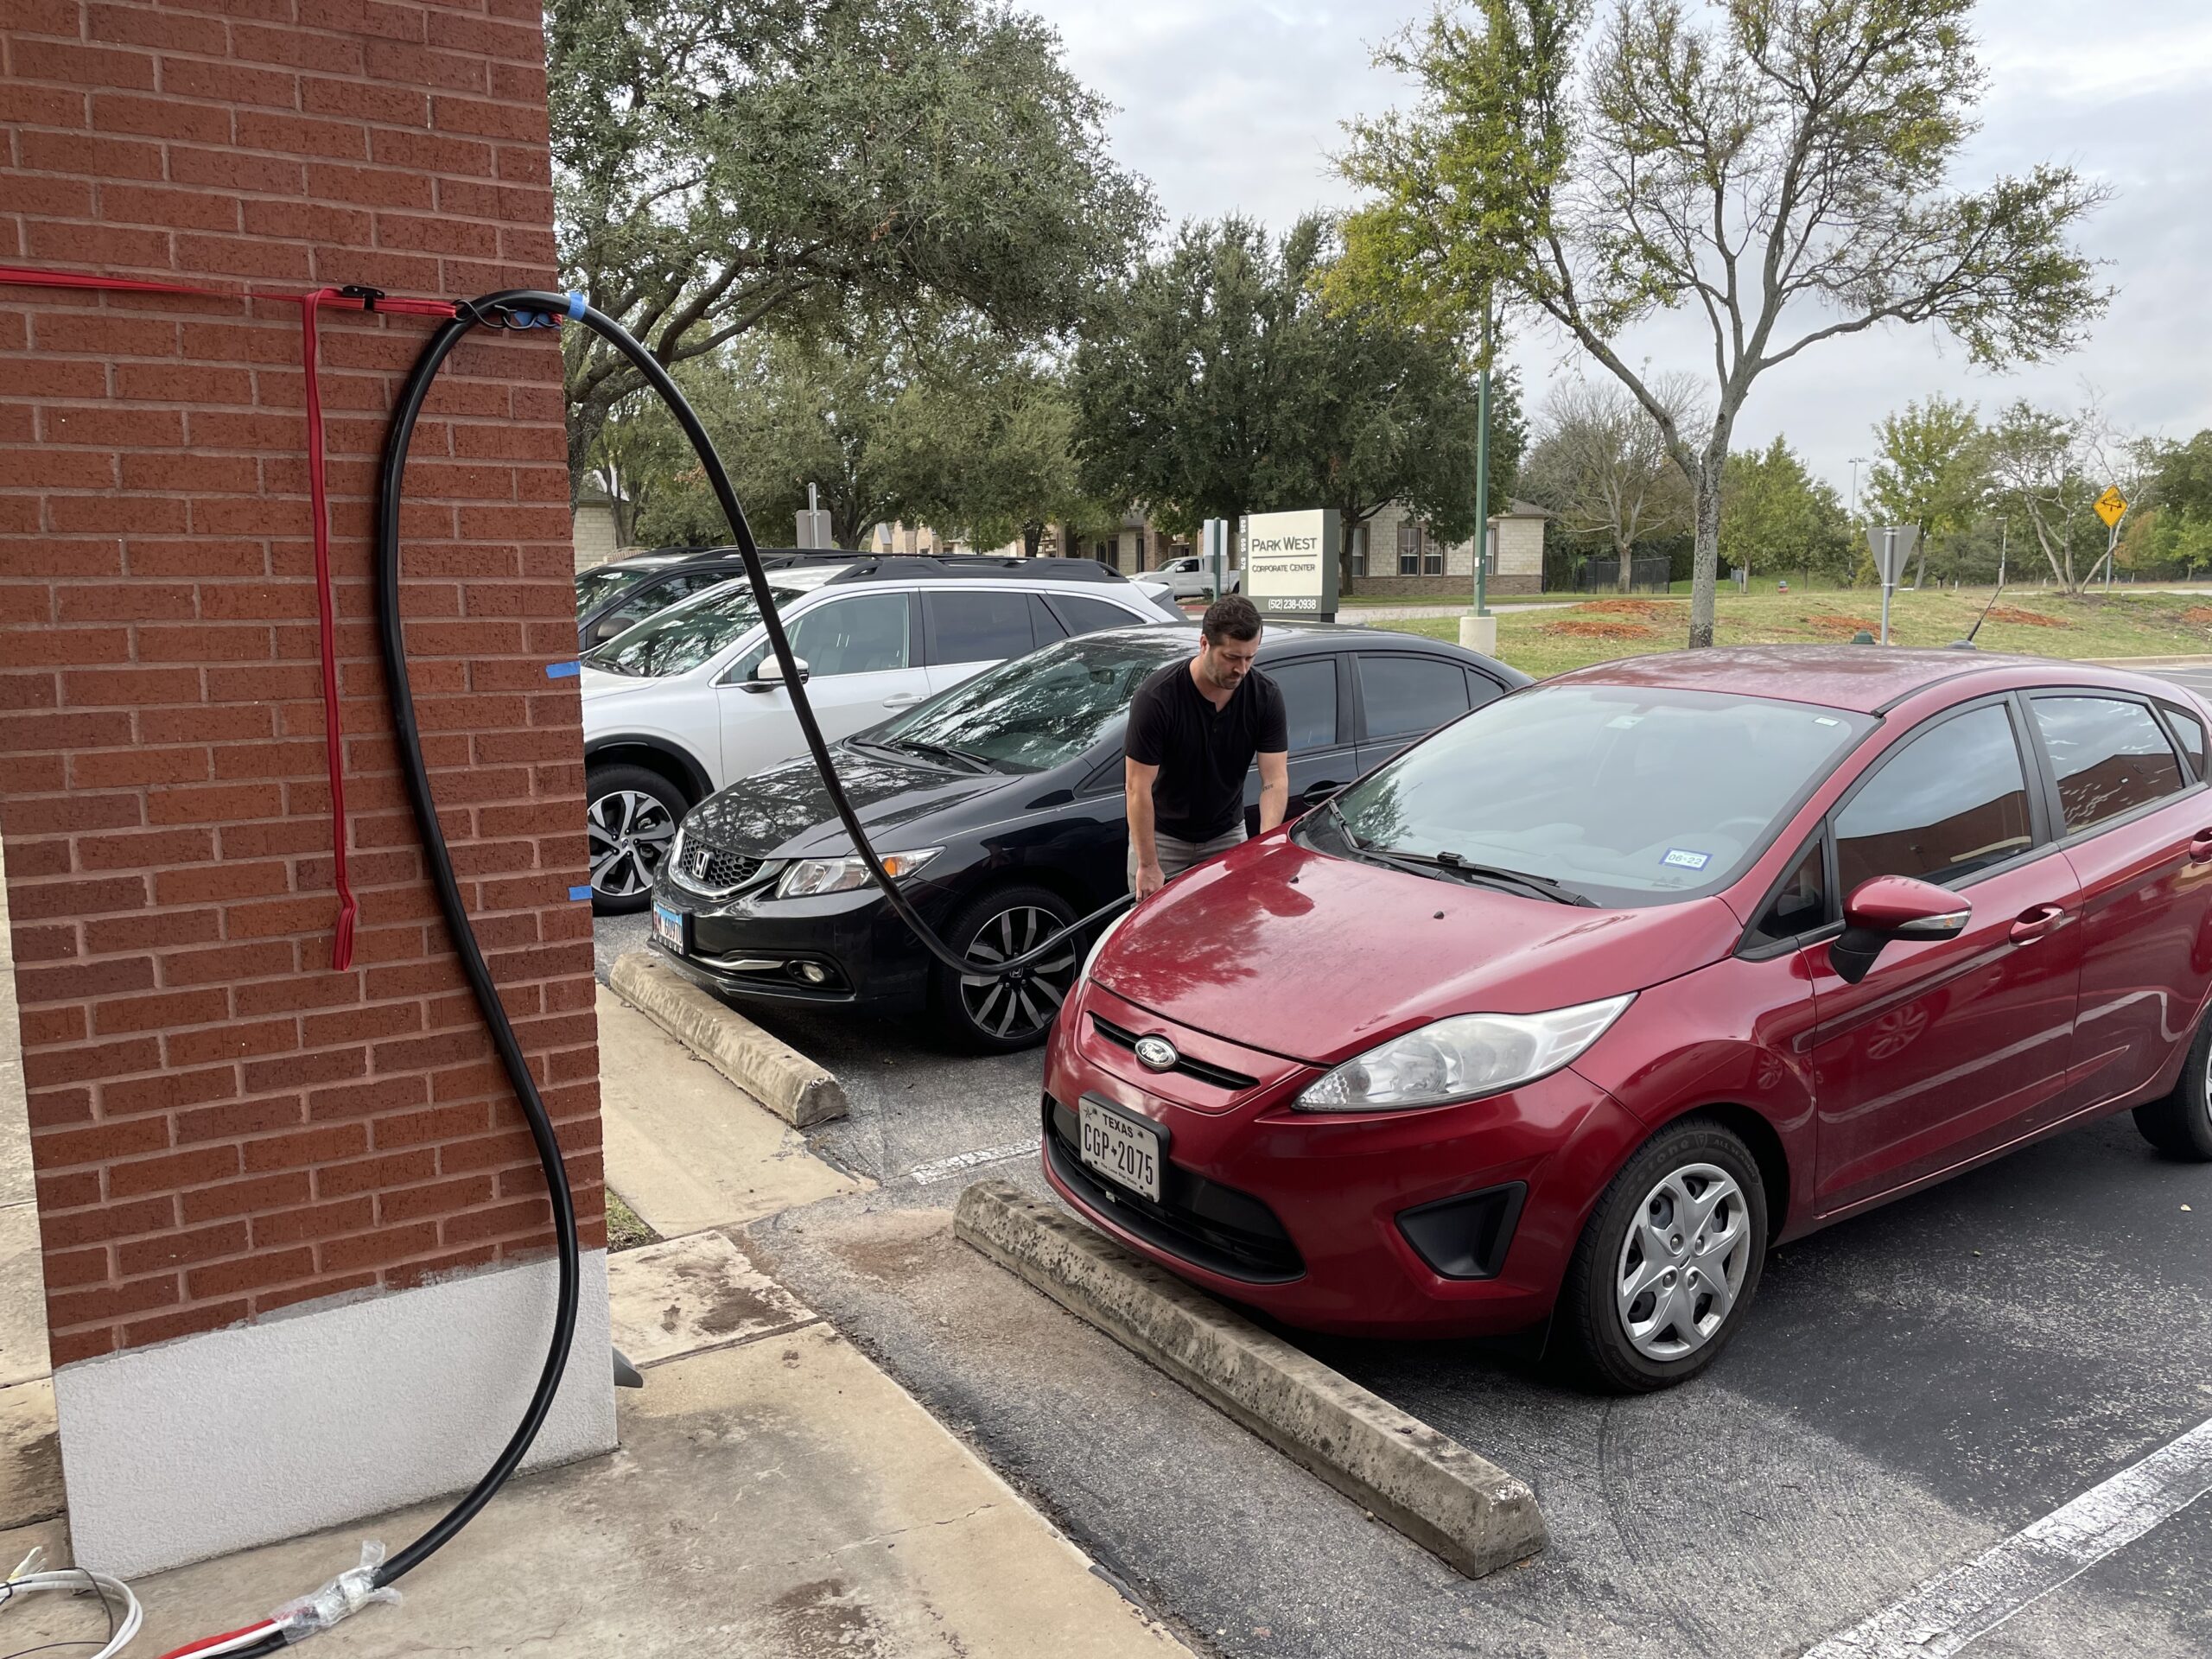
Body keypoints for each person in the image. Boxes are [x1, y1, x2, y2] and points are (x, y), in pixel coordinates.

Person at [1125, 594, 1289, 898]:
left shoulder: (1265, 696)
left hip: (1227, 833)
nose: (1241, 669)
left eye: (1250, 657)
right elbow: (1137, 787)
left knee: (1231, 929)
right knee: (1157, 936)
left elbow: (1275, 779)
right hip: (1162, 838)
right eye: (1231, 657)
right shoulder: (1158, 698)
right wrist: (1148, 864)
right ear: (1204, 644)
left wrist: (1265, 845)